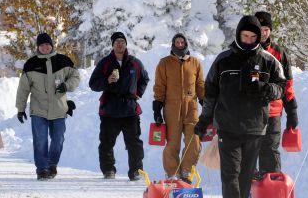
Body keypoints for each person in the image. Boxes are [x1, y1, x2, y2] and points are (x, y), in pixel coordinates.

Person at [194, 15, 286, 198]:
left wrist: (267, 89)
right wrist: (204, 120)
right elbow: (211, 93)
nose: (249, 40)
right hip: (227, 125)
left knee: (246, 174)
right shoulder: (223, 60)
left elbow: (281, 86)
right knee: (230, 172)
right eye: (245, 36)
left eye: (253, 36)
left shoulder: (268, 61)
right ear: (238, 35)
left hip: (255, 126)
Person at [15, 33, 81, 180]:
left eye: (47, 45)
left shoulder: (63, 61)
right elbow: (23, 88)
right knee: (40, 140)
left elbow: (76, 77)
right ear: (38, 47)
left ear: (51, 45)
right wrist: (20, 109)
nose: (45, 47)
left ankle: (52, 164)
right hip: (39, 109)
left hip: (59, 108)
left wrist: (66, 85)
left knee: (58, 140)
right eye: (41, 45)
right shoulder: (31, 64)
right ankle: (42, 169)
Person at [88, 32, 150, 181]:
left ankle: (135, 171)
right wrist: (107, 81)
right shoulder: (105, 63)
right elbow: (93, 84)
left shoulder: (135, 62)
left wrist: (138, 93)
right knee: (106, 143)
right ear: (113, 45)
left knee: (134, 143)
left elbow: (144, 79)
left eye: (122, 41)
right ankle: (108, 170)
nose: (120, 44)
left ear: (126, 44)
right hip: (110, 109)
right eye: (117, 42)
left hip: (130, 109)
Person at [153, 33, 205, 182]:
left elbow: (200, 85)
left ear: (186, 44)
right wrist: (157, 108)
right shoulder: (164, 63)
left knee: (194, 140)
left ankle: (186, 172)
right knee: (172, 142)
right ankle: (172, 173)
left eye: (182, 42)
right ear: (173, 44)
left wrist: (205, 103)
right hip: (171, 107)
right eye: (177, 42)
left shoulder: (195, 63)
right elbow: (159, 86)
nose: (180, 44)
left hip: (191, 107)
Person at [253, 11, 298, 177]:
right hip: (250, 112)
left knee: (270, 149)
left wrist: (291, 110)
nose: (263, 33)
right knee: (250, 150)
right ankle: (248, 191)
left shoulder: (279, 52)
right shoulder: (246, 50)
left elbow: (288, 84)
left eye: (266, 29)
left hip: (273, 111)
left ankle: (270, 190)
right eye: (259, 28)